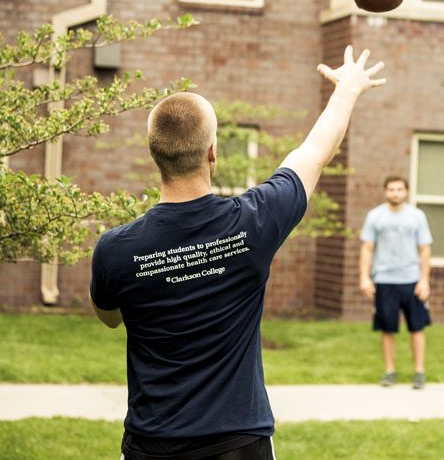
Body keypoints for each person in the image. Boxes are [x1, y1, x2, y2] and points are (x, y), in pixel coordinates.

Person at [89, 45, 385, 460]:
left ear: (155, 155)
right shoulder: (254, 223)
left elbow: (109, 318)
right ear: (213, 154)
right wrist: (347, 89)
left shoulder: (115, 250)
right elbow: (316, 151)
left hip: (151, 446)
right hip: (240, 445)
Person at [359, 176, 433, 389]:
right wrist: (365, 277)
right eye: (391, 189)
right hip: (384, 280)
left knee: (417, 328)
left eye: (399, 189)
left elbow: (425, 249)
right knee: (387, 329)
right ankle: (389, 371)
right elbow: (367, 248)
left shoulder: (417, 216)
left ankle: (419, 372)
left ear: (406, 191)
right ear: (385, 192)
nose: (395, 193)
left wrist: (424, 280)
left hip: (412, 280)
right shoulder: (375, 216)